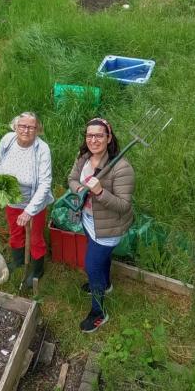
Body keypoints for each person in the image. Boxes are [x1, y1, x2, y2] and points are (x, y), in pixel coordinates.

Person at [67, 118, 134, 332]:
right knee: (99, 261)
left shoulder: (121, 168)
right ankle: (106, 284)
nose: (93, 140)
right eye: (89, 135)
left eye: (99, 135)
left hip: (108, 228)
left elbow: (124, 206)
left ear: (108, 138)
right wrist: (80, 189)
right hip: (88, 221)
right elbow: (72, 179)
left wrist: (100, 192)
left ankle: (99, 313)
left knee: (92, 266)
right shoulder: (83, 158)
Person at [0, 112, 53, 288]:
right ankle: (18, 261)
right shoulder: (7, 140)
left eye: (31, 127)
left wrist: (29, 211)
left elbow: (45, 183)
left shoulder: (42, 149)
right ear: (15, 127)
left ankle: (36, 270)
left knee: (35, 237)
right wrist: (2, 182)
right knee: (15, 230)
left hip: (34, 202)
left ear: (37, 129)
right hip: (12, 198)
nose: (26, 130)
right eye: (22, 126)